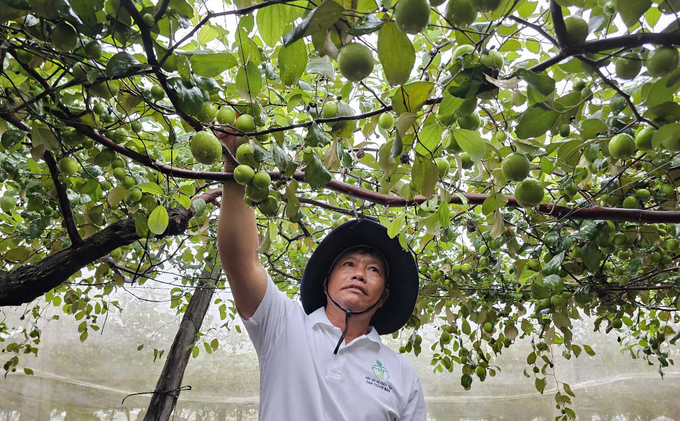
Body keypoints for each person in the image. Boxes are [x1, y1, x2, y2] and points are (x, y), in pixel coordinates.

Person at [217, 132, 426, 420]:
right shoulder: (283, 325)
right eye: (349, 264)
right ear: (326, 282)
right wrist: (235, 164)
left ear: (384, 297)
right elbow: (242, 263)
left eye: (374, 269)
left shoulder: (403, 376)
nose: (360, 275)